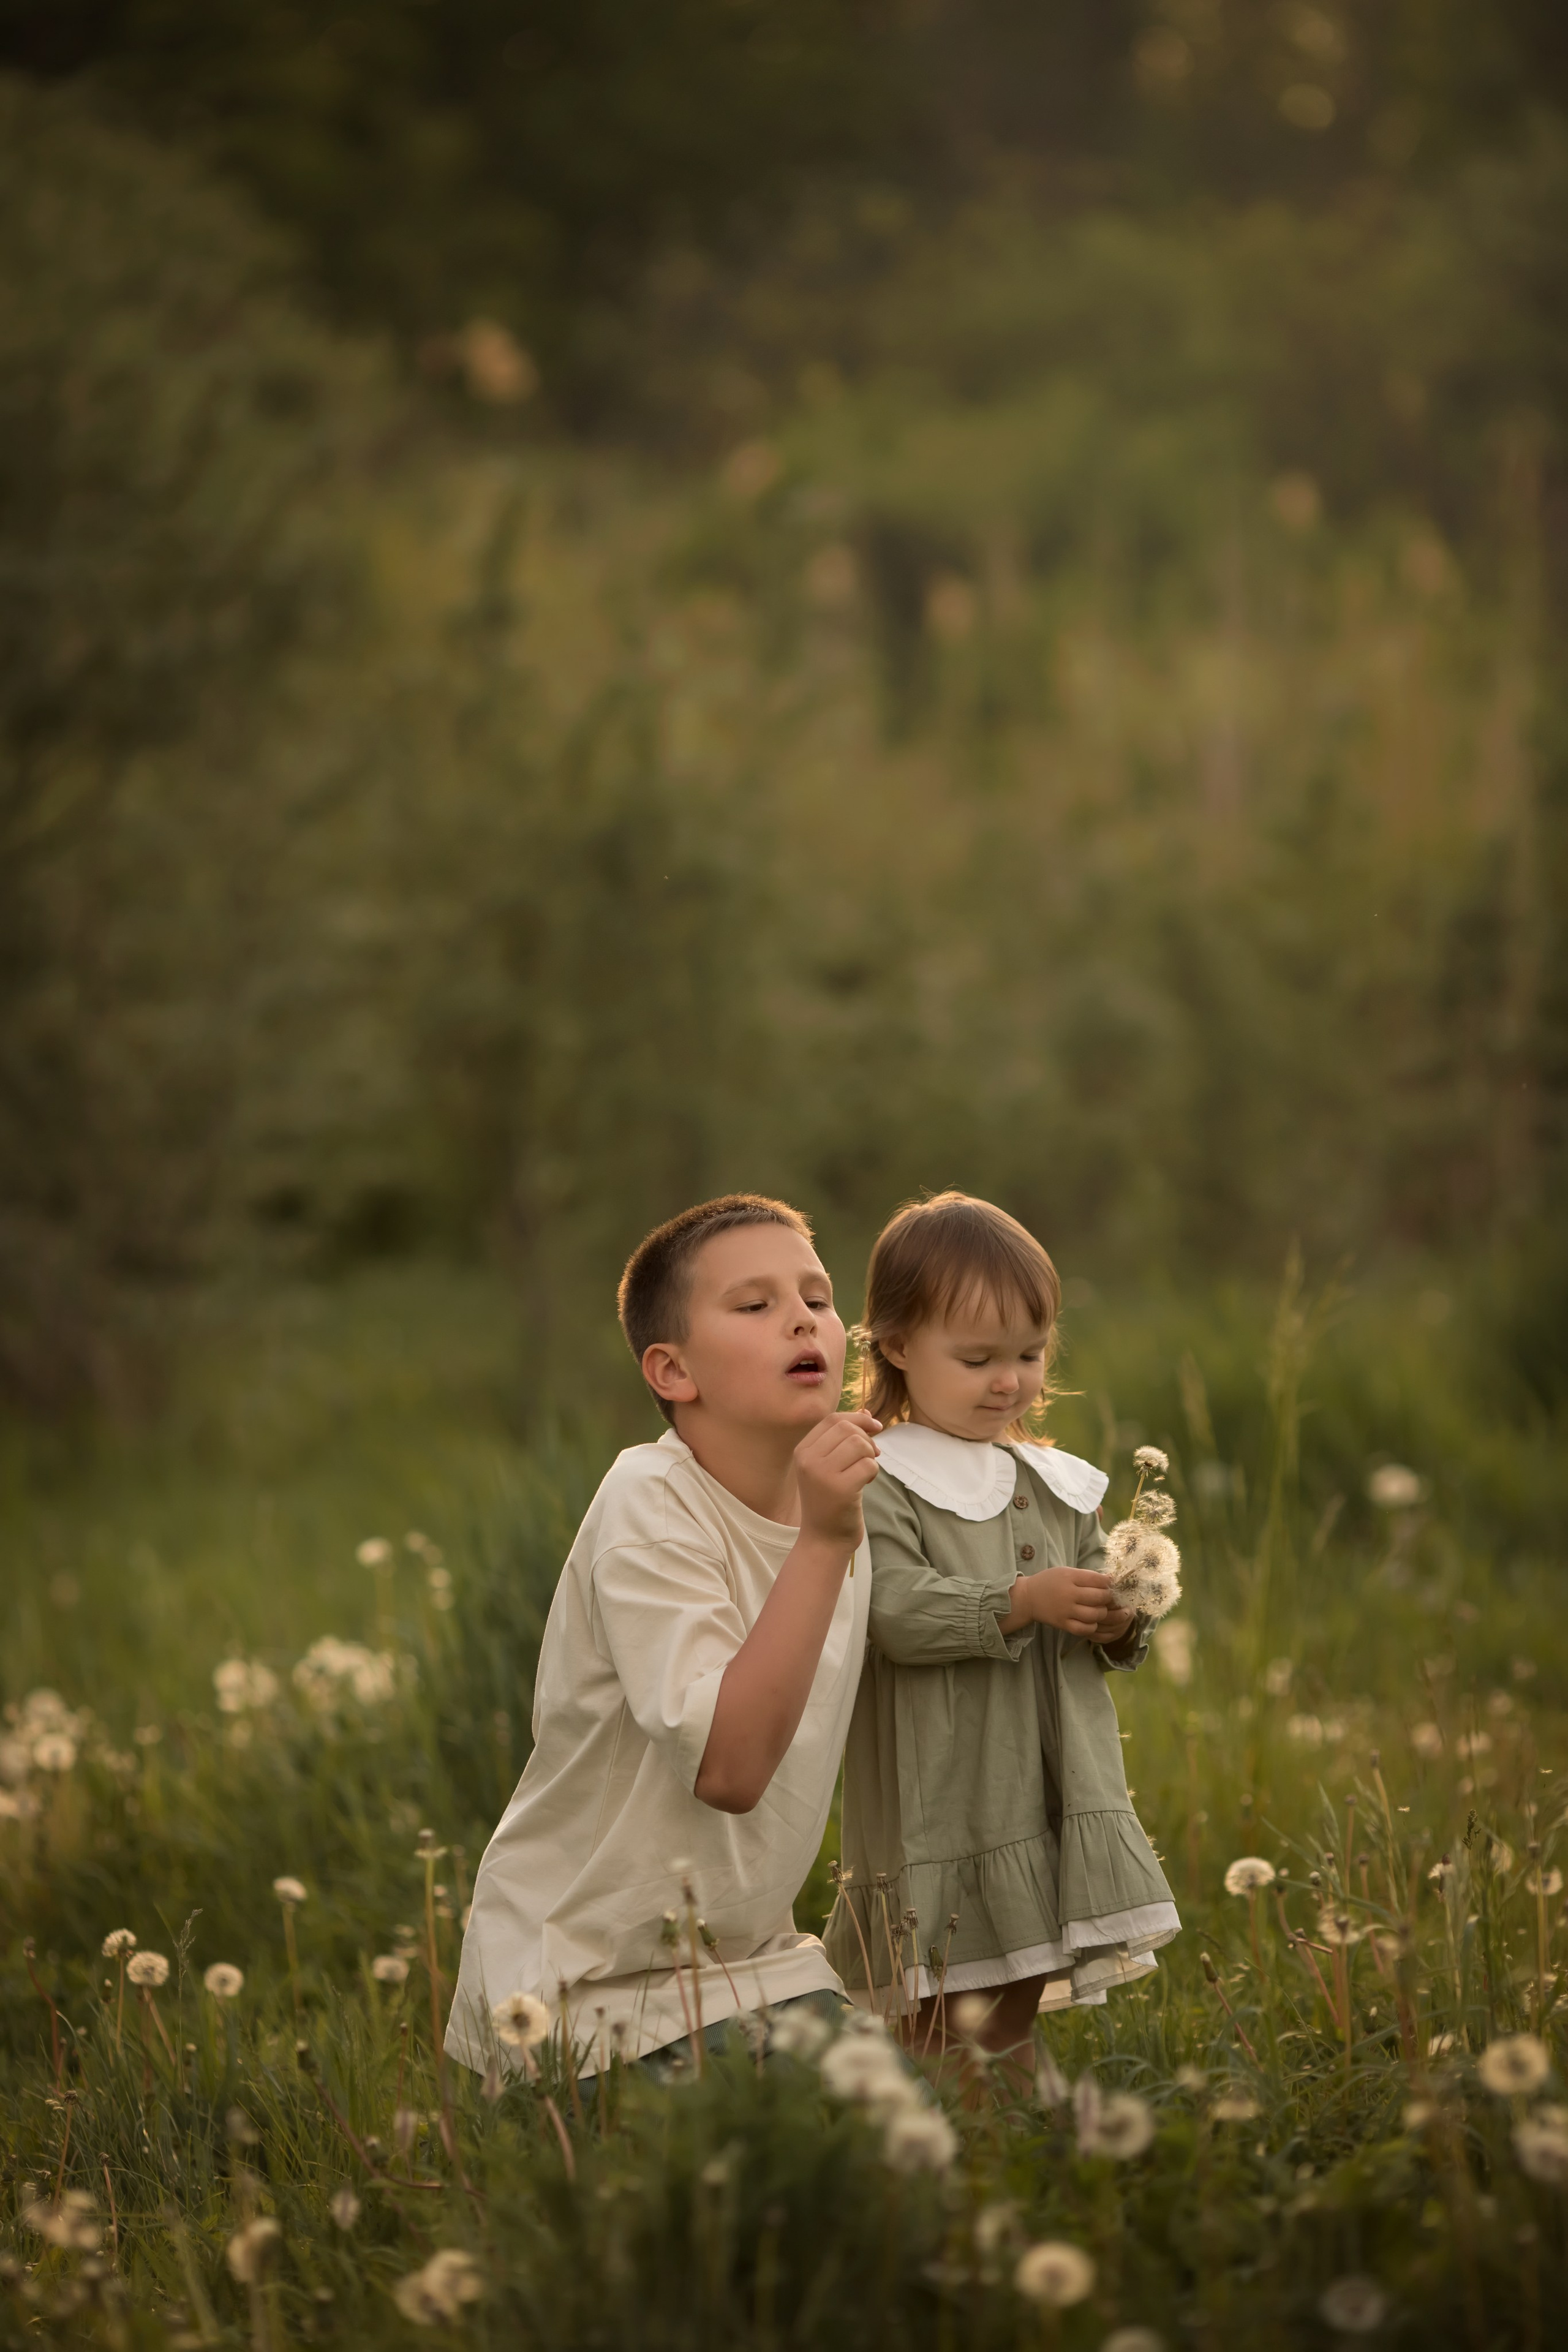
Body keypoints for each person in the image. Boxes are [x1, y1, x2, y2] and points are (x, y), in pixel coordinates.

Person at [446, 1194, 881, 2078]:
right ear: (672, 1372)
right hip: (583, 1991)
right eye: (755, 1306)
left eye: (819, 1298)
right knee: (833, 2163)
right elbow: (729, 1770)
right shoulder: (650, 1505)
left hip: (757, 1963)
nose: (802, 1318)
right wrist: (827, 1541)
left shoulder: (848, 1492)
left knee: (914, 2158)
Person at [824, 1191, 1177, 2065]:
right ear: (897, 1346)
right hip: (946, 1804)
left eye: (1029, 1352)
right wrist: (1019, 1602)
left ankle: (1013, 2148)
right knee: (944, 2014)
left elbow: (1102, 1599)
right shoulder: (882, 1477)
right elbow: (893, 1611)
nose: (1010, 1380)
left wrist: (1116, 1616)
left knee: (1009, 2001)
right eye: (978, 1357)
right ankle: (958, 2149)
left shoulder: (1057, 1482)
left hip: (1051, 1790)